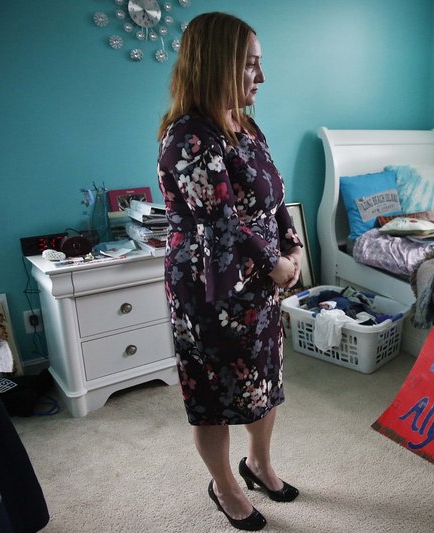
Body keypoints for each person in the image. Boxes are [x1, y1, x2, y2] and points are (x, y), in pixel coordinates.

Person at [156, 12, 303, 531]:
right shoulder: (187, 137)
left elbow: (273, 195)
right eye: (249, 66)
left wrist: (294, 243)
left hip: (261, 286)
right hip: (209, 291)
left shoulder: (243, 122)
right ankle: (225, 486)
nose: (259, 78)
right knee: (213, 395)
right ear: (215, 65)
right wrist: (277, 263)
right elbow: (220, 221)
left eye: (259, 65)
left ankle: (259, 463)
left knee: (265, 382)